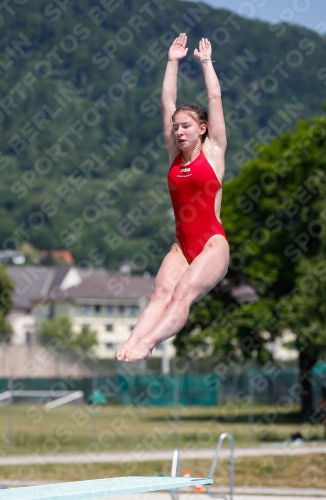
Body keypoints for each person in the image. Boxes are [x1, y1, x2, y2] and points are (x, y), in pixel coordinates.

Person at [115, 33, 229, 362]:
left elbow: (215, 97)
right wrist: (172, 62)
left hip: (212, 245)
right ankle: (134, 339)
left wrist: (205, 62)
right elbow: (167, 102)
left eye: (186, 126)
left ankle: (148, 342)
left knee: (181, 295)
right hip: (182, 244)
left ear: (203, 128)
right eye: (176, 127)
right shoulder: (173, 156)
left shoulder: (215, 151)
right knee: (159, 294)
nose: (179, 132)